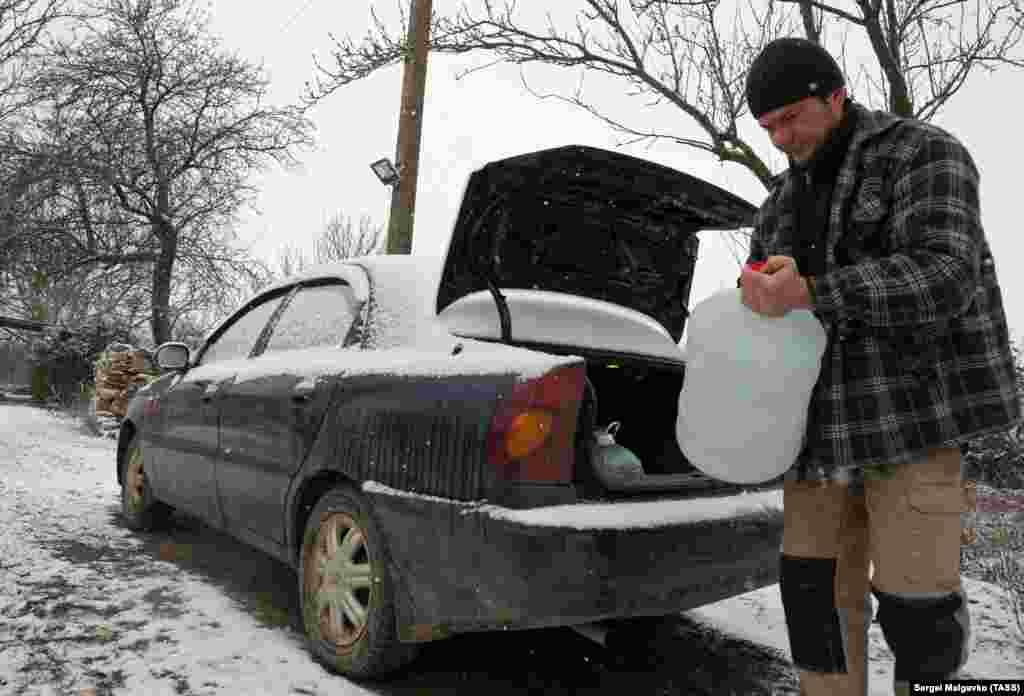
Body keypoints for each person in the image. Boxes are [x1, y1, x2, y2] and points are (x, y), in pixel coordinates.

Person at [739, 37, 1021, 696]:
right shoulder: (778, 202)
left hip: (910, 425)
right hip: (815, 442)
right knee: (814, 611)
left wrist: (812, 289)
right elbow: (774, 312)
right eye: (767, 127)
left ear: (833, 95)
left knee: (919, 614)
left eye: (789, 118)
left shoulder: (923, 152)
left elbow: (945, 275)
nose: (780, 137)